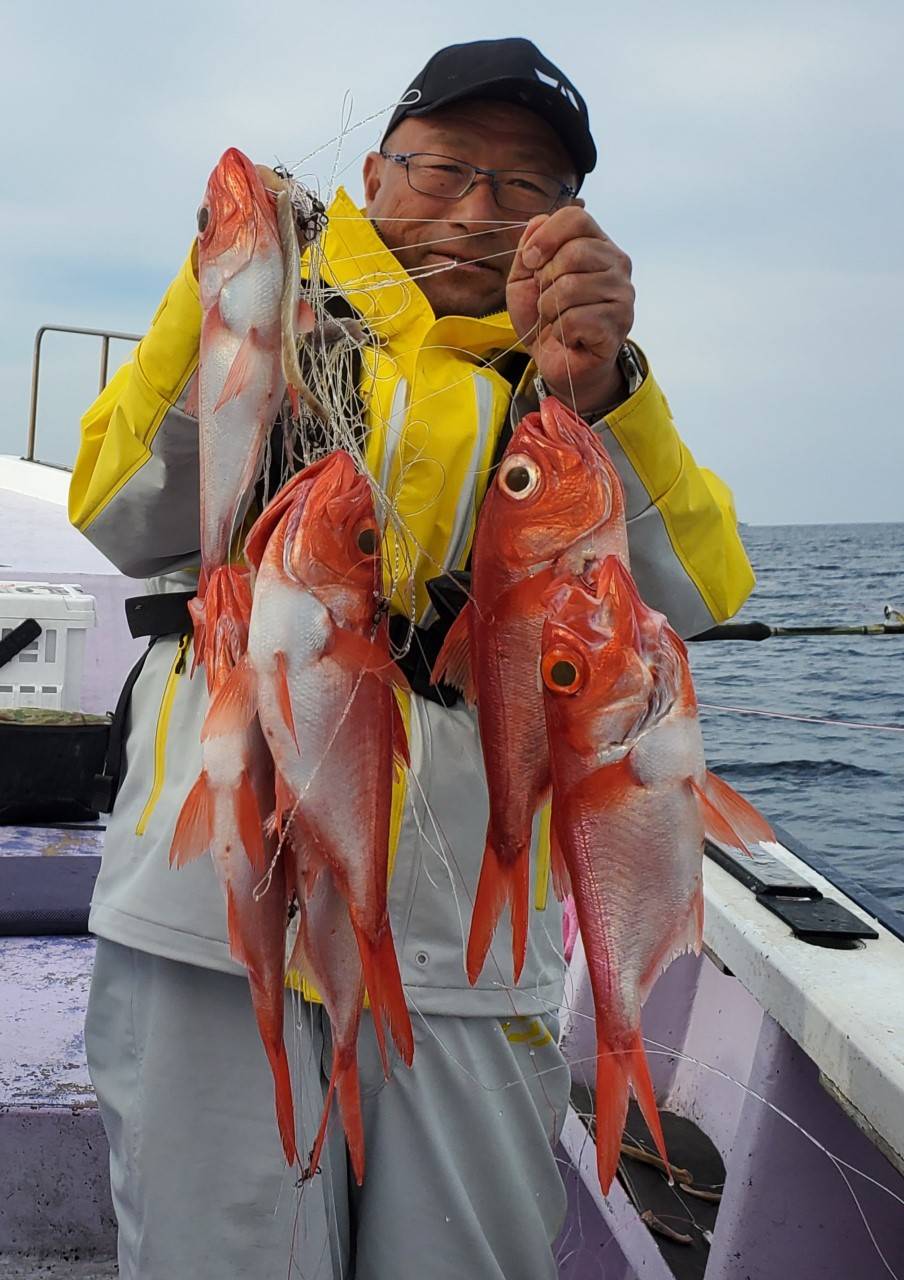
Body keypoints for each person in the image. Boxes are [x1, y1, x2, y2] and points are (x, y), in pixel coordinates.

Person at [70, 36, 755, 1280]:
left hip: (463, 949)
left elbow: (694, 596)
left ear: (570, 228)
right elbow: (120, 510)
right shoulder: (272, 299)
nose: (479, 210)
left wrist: (610, 389)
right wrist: (222, 286)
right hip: (211, 905)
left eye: (529, 191)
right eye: (443, 168)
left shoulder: (565, 394)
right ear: (374, 179)